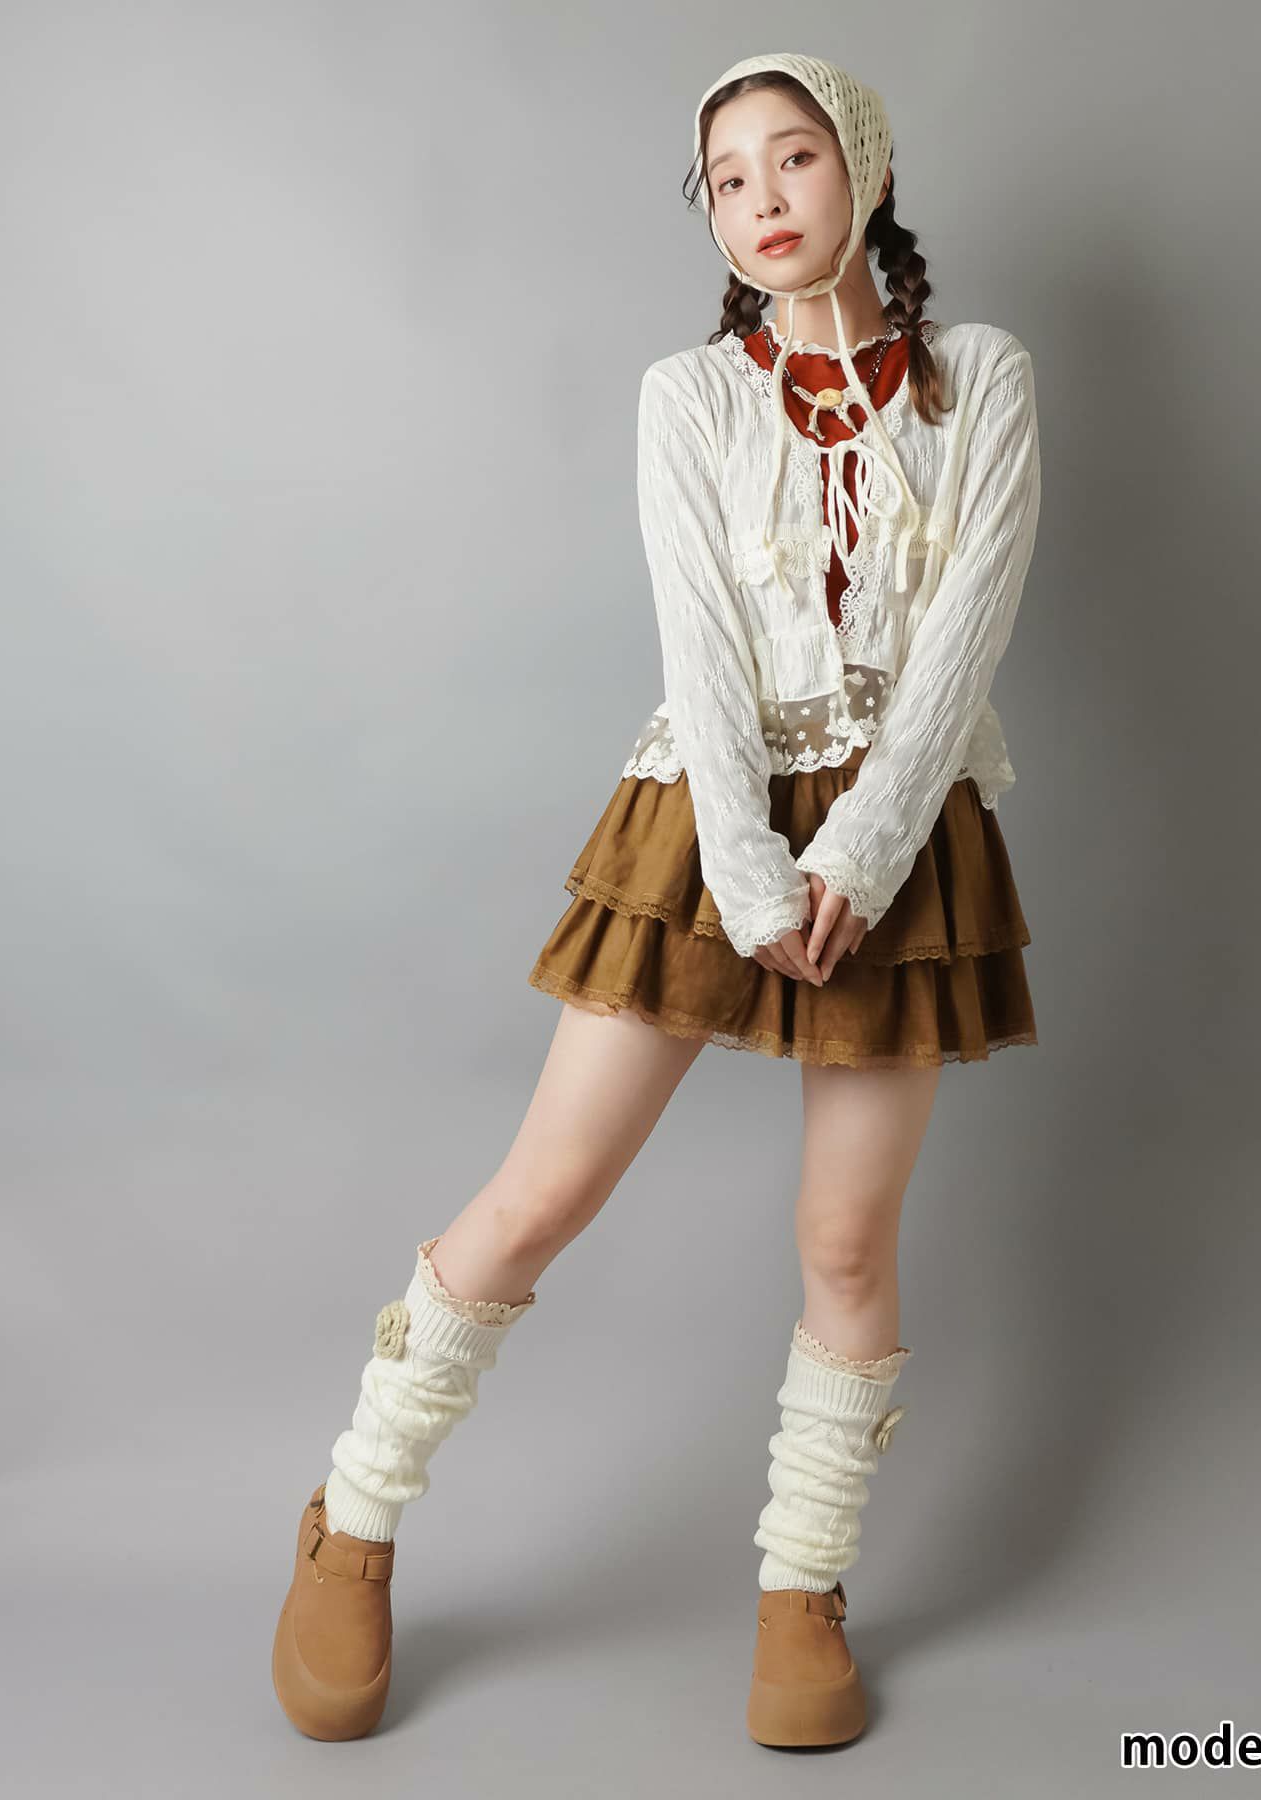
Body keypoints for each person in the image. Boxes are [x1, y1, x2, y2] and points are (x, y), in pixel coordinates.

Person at [272, 50, 1042, 1750]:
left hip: (905, 839)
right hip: (705, 822)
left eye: (795, 159)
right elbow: (697, 647)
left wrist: (860, 857)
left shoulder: (983, 376)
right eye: (728, 178)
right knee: (542, 1192)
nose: (763, 199)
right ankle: (354, 1514)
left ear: (868, 171)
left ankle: (801, 1587)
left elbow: (967, 634)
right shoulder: (687, 395)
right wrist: (756, 872)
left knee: (845, 1239)